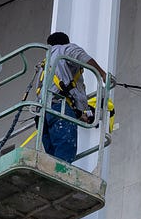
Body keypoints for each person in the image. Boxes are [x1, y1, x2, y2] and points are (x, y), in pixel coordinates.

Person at [42, 31, 108, 163]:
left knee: (52, 158)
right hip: (59, 108)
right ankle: (60, 178)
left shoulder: (45, 63)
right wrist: (102, 74)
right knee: (65, 152)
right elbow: (81, 56)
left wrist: (78, 114)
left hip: (42, 114)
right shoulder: (65, 48)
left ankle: (54, 179)